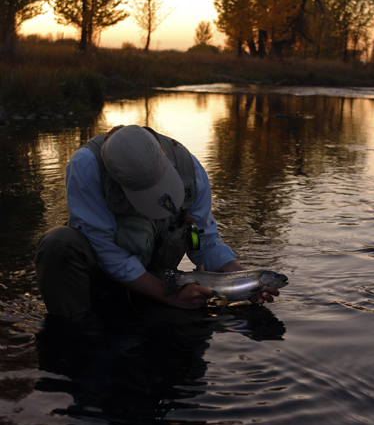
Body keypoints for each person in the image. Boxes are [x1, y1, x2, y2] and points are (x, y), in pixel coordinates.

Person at [35, 124, 279, 320]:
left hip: (163, 278)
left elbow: (205, 241)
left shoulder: (190, 168)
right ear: (112, 176)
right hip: (103, 279)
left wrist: (245, 281)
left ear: (163, 153)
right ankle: (74, 333)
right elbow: (106, 252)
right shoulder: (86, 167)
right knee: (58, 243)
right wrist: (168, 296)